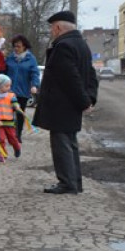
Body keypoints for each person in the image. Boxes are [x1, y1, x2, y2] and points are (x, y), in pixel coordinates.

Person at [33, 11, 98, 194]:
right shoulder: (82, 45)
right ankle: (74, 182)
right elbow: (91, 76)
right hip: (72, 105)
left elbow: (71, 78)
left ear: (59, 27)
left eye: (52, 28)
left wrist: (85, 101)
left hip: (61, 105)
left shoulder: (63, 46)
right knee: (71, 143)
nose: (52, 32)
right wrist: (89, 99)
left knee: (62, 144)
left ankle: (67, 183)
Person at [4, 34, 41, 142]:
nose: (16, 48)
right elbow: (3, 71)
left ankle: (18, 135)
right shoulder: (10, 58)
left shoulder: (31, 59)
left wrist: (34, 85)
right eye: (15, 46)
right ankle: (8, 134)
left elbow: (35, 73)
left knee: (20, 114)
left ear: (24, 46)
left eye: (18, 46)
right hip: (9, 91)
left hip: (23, 91)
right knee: (8, 114)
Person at [0, 75, 22, 158]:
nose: (8, 87)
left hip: (9, 122)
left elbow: (15, 103)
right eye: (6, 86)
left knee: (12, 138)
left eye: (9, 85)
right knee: (1, 139)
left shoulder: (11, 95)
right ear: (0, 85)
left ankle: (17, 147)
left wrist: (16, 106)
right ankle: (3, 154)